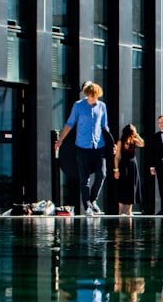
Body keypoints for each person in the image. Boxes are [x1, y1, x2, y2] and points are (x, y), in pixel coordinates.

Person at [54, 81, 116, 216]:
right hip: (82, 146)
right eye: (90, 96)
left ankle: (93, 200)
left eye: (95, 97)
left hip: (99, 146)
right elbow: (69, 124)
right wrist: (60, 140)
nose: (93, 99)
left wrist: (111, 144)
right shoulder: (78, 106)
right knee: (84, 178)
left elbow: (105, 127)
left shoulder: (102, 106)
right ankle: (87, 205)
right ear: (87, 95)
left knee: (102, 174)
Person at [114, 124, 145, 216]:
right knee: (123, 185)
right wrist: (116, 170)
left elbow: (142, 144)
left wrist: (137, 135)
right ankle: (120, 210)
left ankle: (129, 210)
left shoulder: (134, 141)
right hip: (124, 164)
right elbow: (116, 157)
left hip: (132, 164)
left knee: (132, 185)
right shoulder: (121, 142)